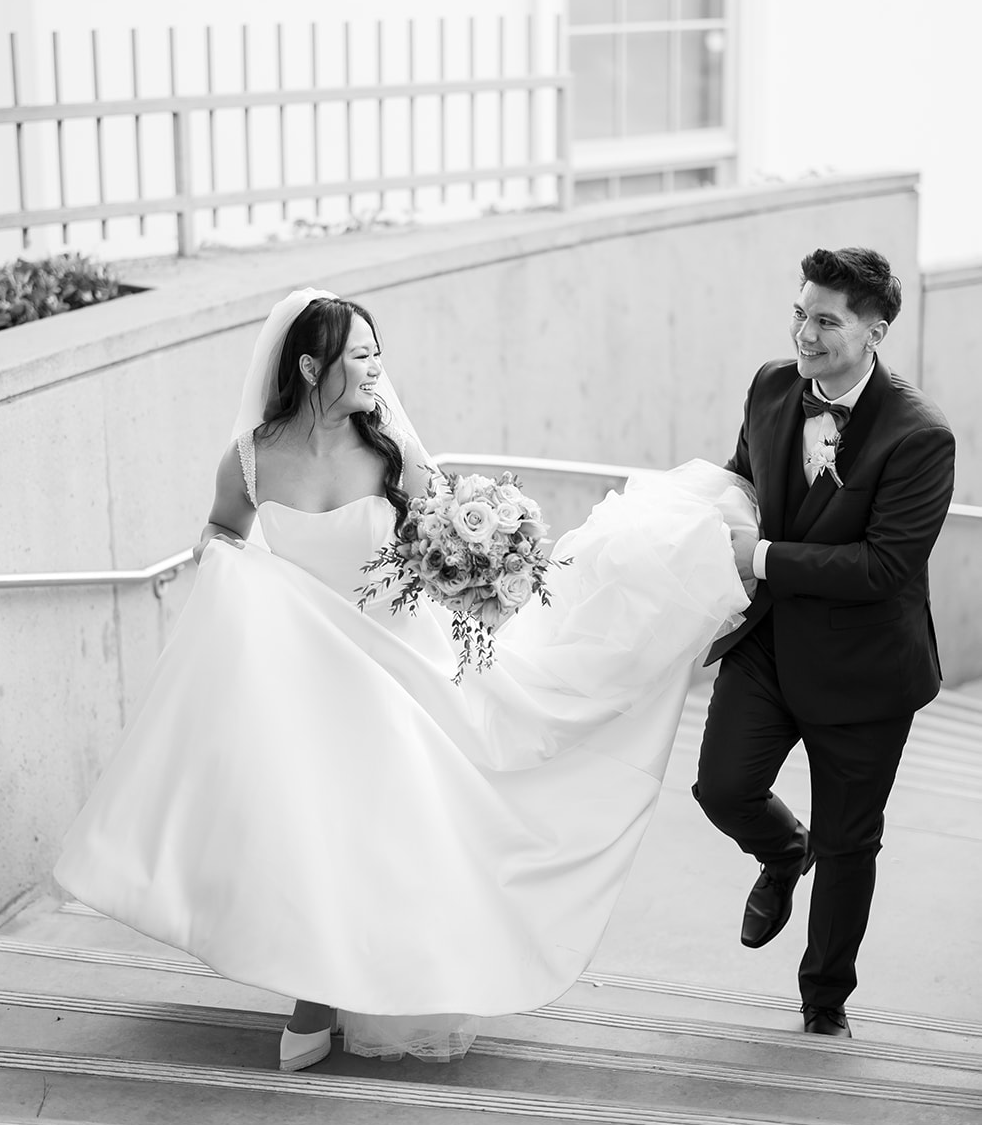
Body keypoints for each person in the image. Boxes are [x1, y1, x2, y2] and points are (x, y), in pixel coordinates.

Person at [56, 286, 755, 1070]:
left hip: (396, 666)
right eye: (358, 356)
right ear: (310, 365)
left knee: (381, 828)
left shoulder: (389, 450)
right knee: (309, 833)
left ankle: (325, 998)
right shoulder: (251, 456)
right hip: (296, 675)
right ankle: (311, 990)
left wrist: (483, 569)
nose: (374, 371)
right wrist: (222, 563)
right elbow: (223, 530)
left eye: (375, 355)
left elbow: (449, 535)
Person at [693, 247, 955, 1039]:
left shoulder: (920, 437)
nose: (805, 334)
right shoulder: (771, 385)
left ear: (875, 331)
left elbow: (883, 566)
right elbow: (744, 481)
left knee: (849, 845)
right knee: (720, 786)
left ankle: (822, 1002)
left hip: (865, 669)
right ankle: (781, 851)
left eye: (826, 321)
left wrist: (763, 556)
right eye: (800, 314)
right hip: (770, 641)